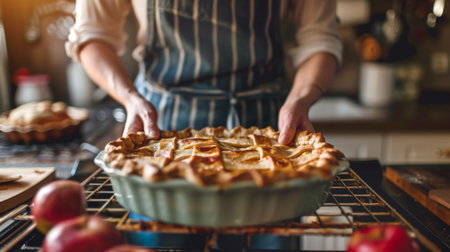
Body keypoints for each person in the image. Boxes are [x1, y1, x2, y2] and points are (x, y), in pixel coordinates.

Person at [66, 0, 342, 249]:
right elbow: (93, 35)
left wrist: (302, 97)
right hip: (159, 137)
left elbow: (319, 39)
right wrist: (129, 99)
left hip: (272, 140)